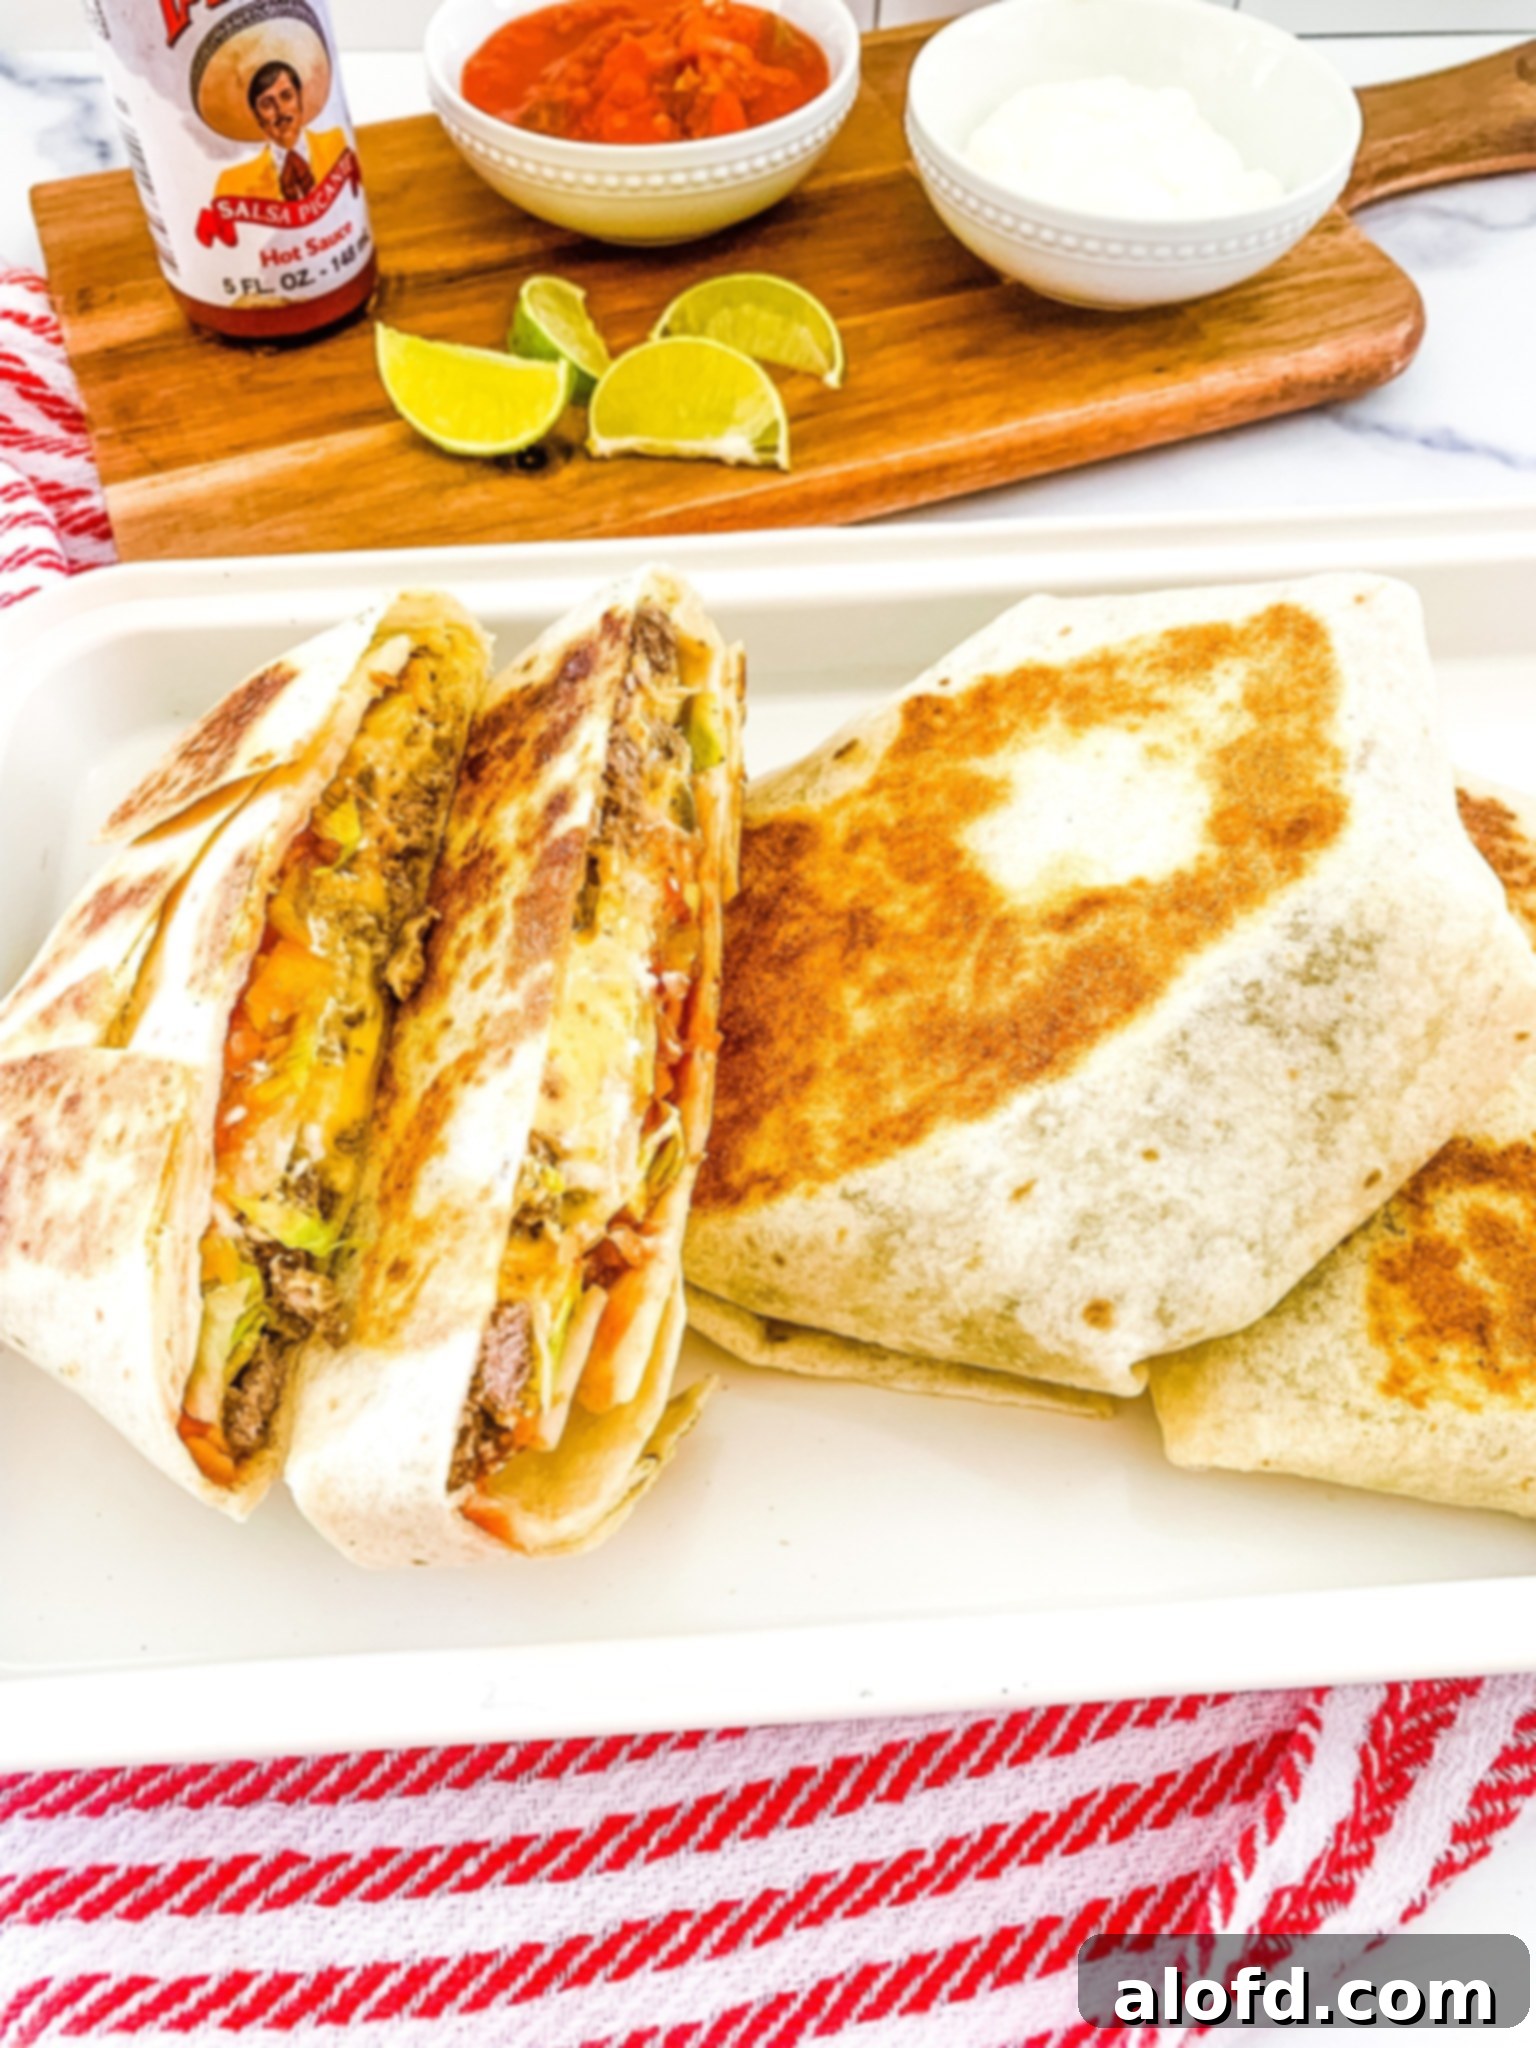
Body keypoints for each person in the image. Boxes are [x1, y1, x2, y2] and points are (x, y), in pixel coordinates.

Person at [214, 58, 346, 203]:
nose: (280, 110)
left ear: (300, 98)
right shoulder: (234, 185)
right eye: (267, 104)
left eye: (286, 96)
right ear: (257, 117)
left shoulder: (338, 144)